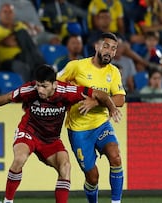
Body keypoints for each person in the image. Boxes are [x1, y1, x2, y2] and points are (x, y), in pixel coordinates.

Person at [0, 64, 122, 203]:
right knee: (20, 158)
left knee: (65, 167)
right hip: (28, 133)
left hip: (51, 140)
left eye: (44, 86)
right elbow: (8, 97)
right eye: (38, 85)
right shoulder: (30, 90)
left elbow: (99, 94)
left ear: (54, 84)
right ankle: (8, 201)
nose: (40, 90)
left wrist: (112, 108)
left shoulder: (67, 91)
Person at [57, 32, 125, 203]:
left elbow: (120, 99)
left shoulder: (114, 72)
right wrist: (70, 92)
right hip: (79, 130)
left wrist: (95, 102)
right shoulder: (76, 66)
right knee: (92, 177)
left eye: (114, 49)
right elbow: (55, 84)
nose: (110, 51)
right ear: (97, 46)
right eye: (106, 46)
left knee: (115, 157)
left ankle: (116, 202)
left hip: (101, 124)